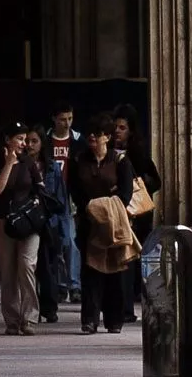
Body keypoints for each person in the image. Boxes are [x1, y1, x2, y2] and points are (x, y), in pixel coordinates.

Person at [69, 114, 135, 334]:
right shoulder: (79, 160)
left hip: (114, 224)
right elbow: (75, 190)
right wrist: (91, 208)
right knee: (91, 271)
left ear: (107, 137)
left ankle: (114, 320)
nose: (92, 138)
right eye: (89, 134)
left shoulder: (120, 161)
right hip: (89, 224)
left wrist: (105, 208)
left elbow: (125, 194)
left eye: (97, 134)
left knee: (115, 271)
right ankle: (89, 320)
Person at [0, 121, 43, 336]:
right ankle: (12, 320)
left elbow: (40, 187)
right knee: (8, 271)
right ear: (8, 140)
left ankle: (30, 318)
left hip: (28, 222)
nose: (23, 143)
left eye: (25, 139)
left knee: (27, 264)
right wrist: (9, 164)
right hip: (2, 220)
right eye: (19, 139)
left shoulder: (29, 162)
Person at [113, 104, 162, 322]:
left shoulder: (139, 155)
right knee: (123, 261)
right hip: (118, 212)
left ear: (131, 131)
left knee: (138, 259)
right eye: (115, 127)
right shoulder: (110, 154)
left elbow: (156, 181)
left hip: (137, 215)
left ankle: (138, 303)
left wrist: (135, 184)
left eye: (122, 128)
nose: (117, 131)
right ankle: (123, 308)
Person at [25, 126, 64, 323]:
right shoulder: (20, 165)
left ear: (42, 144)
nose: (30, 145)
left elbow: (60, 197)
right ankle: (32, 307)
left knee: (48, 266)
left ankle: (49, 307)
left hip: (48, 221)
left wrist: (61, 224)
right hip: (27, 220)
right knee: (29, 266)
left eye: (34, 141)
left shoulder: (52, 167)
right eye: (27, 141)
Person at [47, 101, 82, 303]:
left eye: (70, 118)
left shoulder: (77, 140)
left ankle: (74, 284)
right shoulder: (46, 140)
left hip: (69, 196)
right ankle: (61, 285)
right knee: (56, 243)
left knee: (70, 241)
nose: (67, 123)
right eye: (62, 119)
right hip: (51, 196)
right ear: (54, 119)